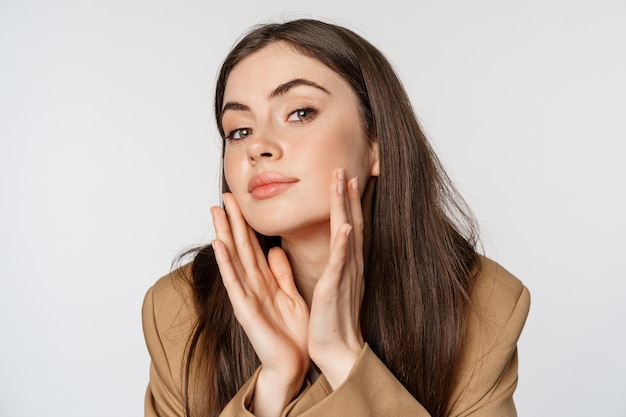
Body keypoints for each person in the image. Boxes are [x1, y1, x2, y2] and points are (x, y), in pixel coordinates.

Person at [142, 18, 530, 417]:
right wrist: (274, 384)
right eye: (239, 130)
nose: (257, 146)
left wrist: (344, 360)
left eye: (300, 112)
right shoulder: (180, 309)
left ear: (377, 143)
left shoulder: (481, 305)